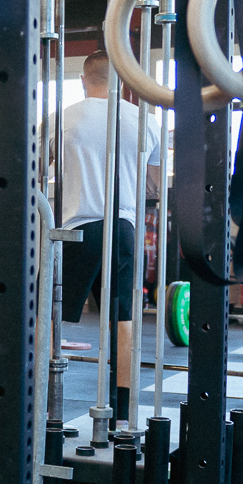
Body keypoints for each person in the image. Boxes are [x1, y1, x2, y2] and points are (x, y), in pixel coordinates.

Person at [59, 51, 162, 415]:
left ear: (84, 80)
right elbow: (155, 186)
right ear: (121, 82)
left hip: (77, 228)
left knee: (46, 316)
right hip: (123, 227)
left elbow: (37, 172)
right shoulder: (147, 120)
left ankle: (37, 401)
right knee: (123, 319)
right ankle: (122, 411)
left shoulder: (63, 117)